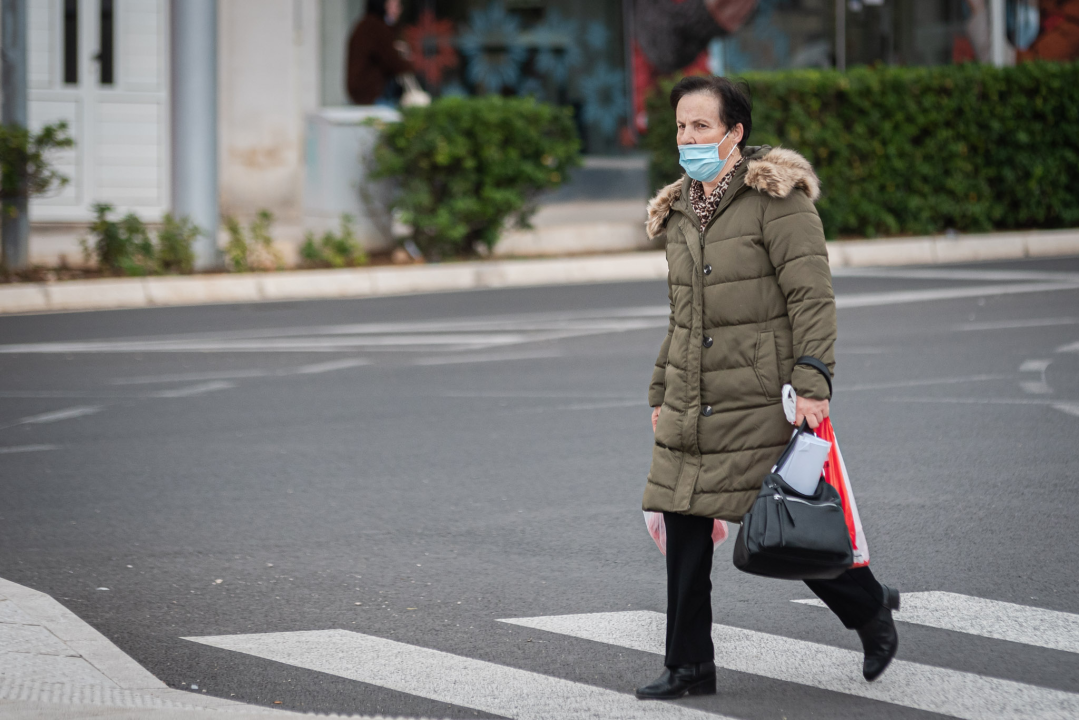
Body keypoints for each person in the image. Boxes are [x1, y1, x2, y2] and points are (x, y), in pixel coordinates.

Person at [636, 75, 899, 701]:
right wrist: (659, 390)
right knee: (685, 525)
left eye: (701, 126)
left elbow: (812, 296)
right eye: (680, 126)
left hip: (759, 395)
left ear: (735, 133)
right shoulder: (678, 210)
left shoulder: (777, 200)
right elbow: (684, 315)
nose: (687, 138)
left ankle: (868, 610)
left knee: (782, 525)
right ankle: (689, 666)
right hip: (692, 394)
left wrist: (813, 380)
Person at [347, 0, 414, 106]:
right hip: (372, 94)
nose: (398, 10)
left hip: (367, 93)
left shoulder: (368, 24)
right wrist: (413, 64)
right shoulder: (374, 26)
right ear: (383, 5)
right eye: (395, 5)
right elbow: (394, 62)